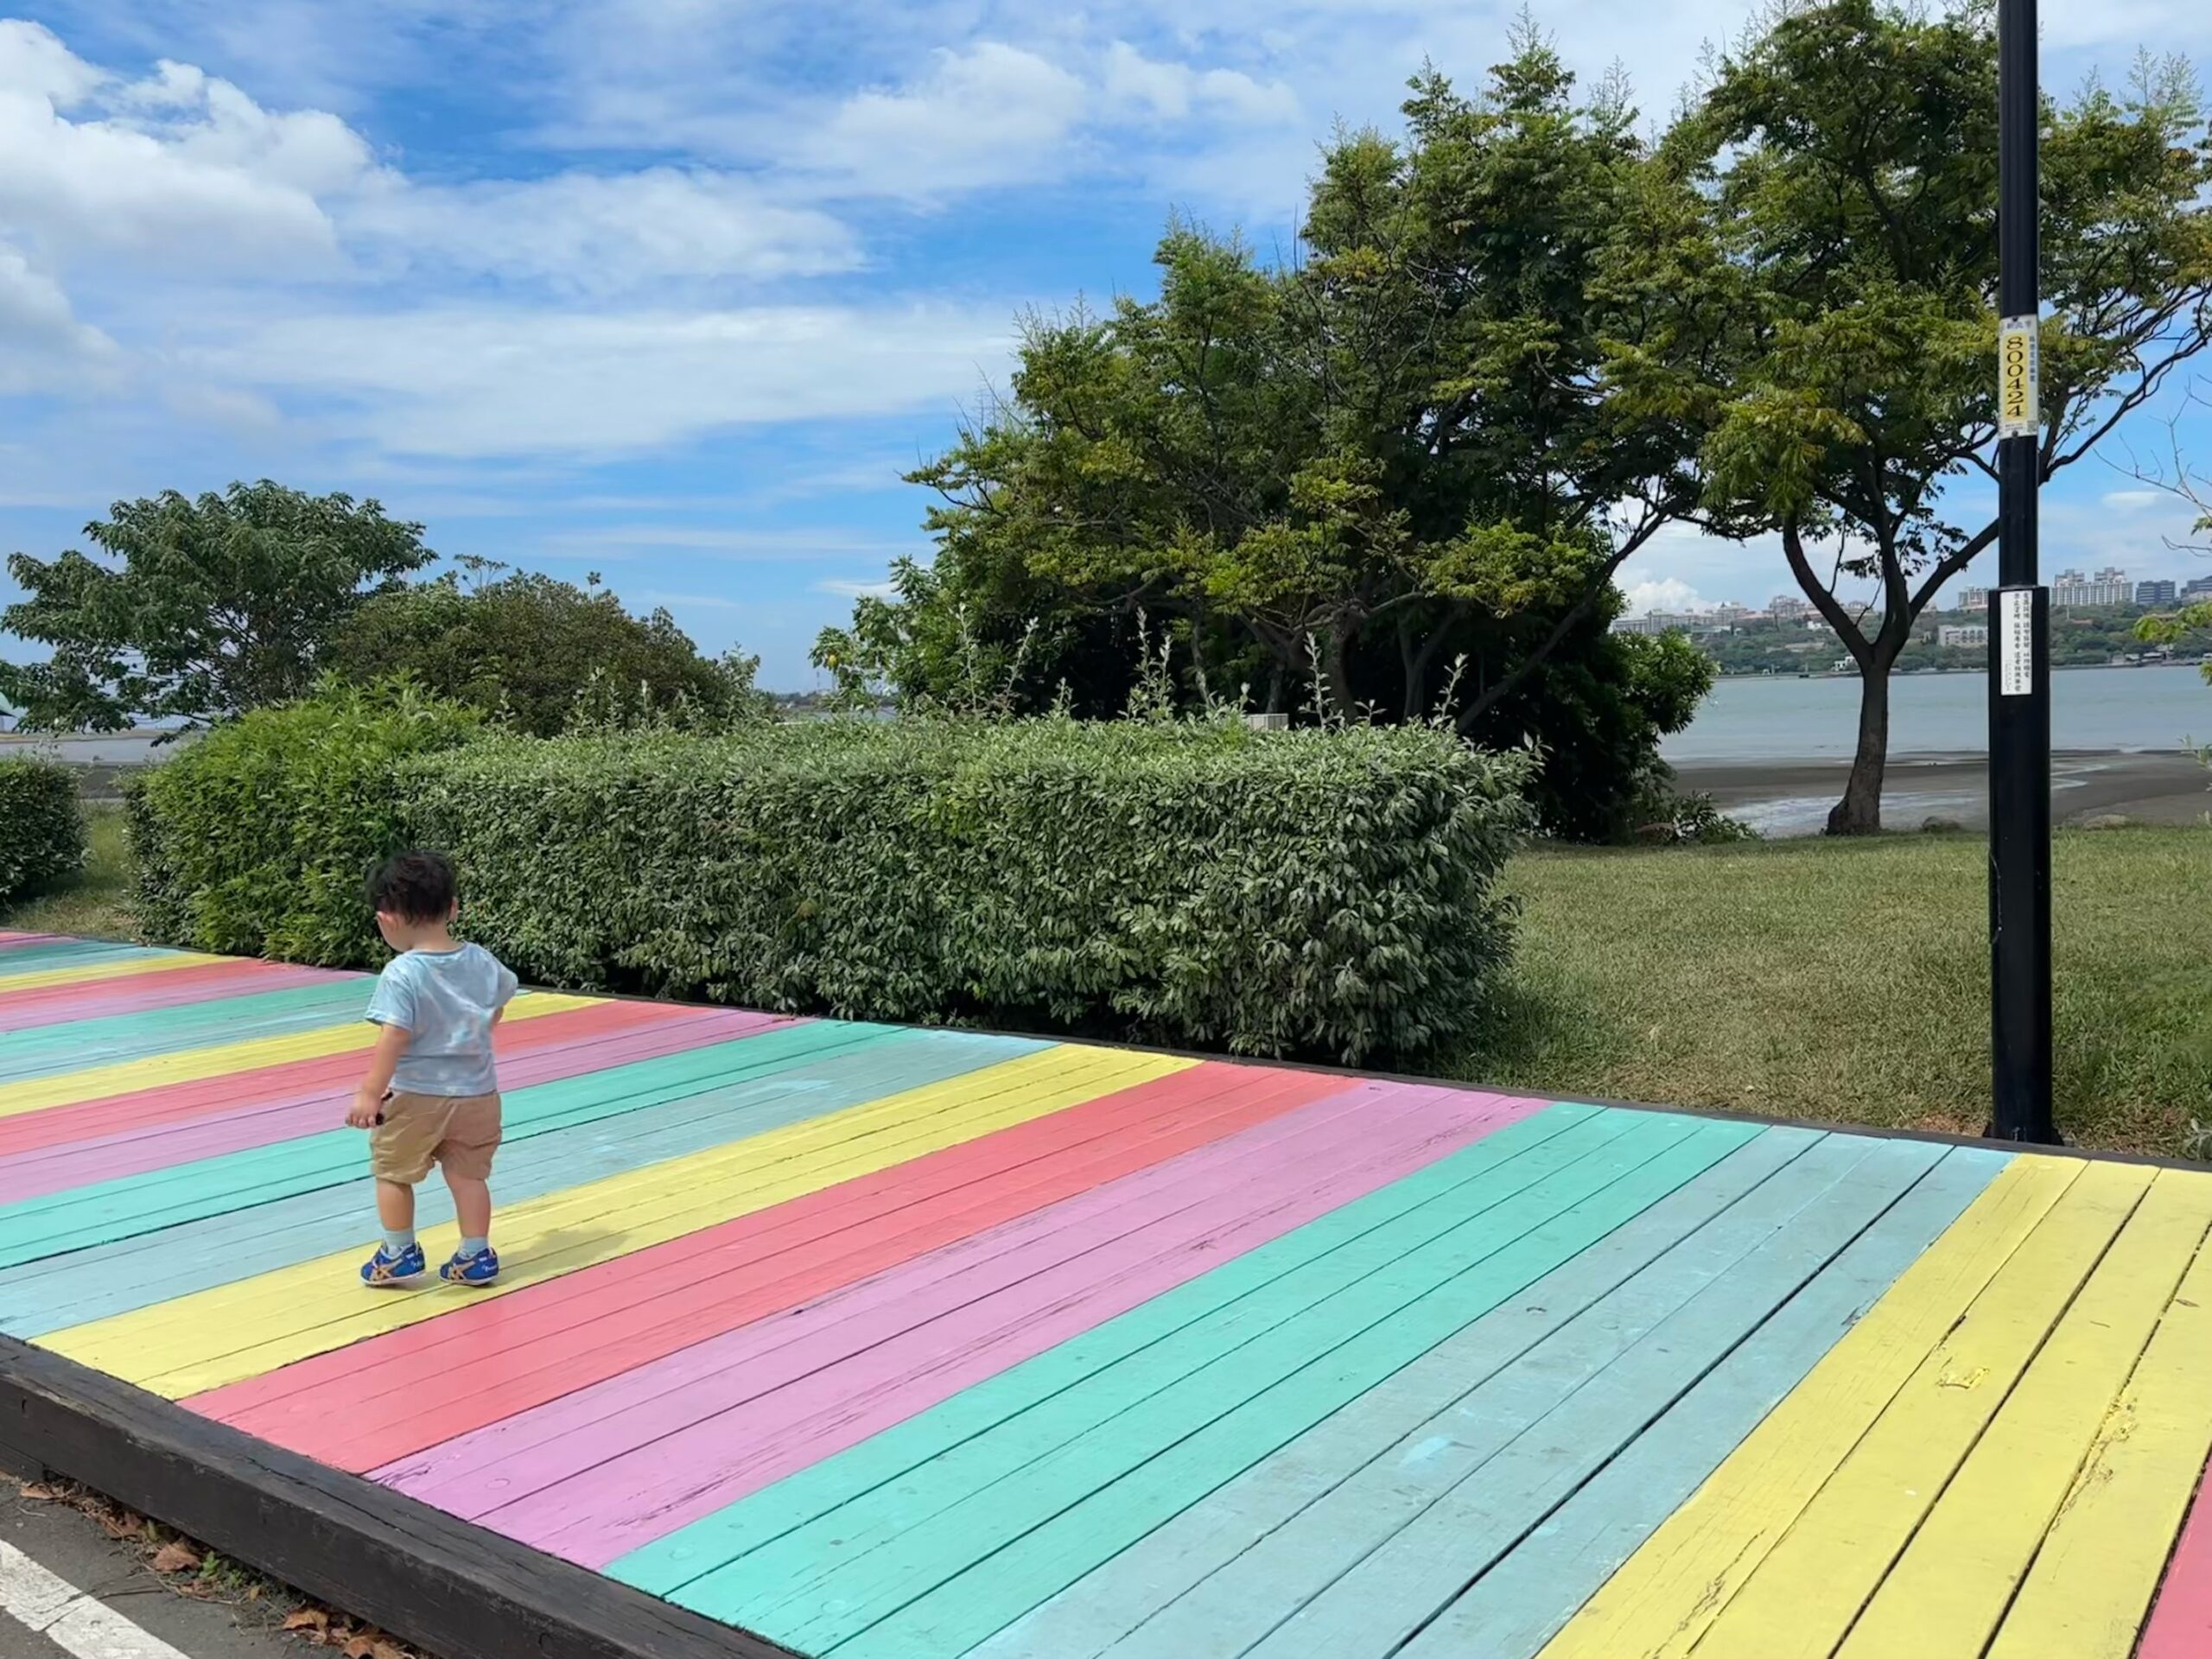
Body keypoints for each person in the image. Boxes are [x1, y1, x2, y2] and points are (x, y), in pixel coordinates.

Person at [345, 849, 518, 1287]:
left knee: (393, 1172)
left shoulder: (402, 973)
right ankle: (475, 1255)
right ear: (454, 908)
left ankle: (399, 1252)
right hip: (478, 1093)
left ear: (387, 919)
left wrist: (370, 1092)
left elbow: (395, 1036)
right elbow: (496, 1002)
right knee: (468, 1175)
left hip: (416, 1095)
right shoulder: (481, 960)